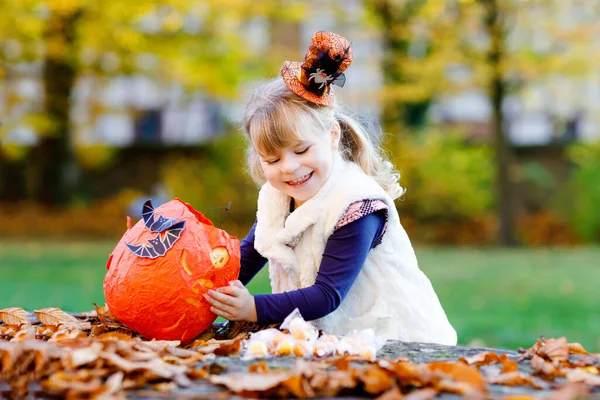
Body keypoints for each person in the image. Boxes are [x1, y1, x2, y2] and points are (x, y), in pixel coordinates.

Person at [205, 31, 457, 345]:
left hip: (394, 340)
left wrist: (253, 307)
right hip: (328, 340)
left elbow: (327, 294)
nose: (289, 167)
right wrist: (200, 288)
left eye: (301, 151)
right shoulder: (278, 198)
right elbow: (244, 261)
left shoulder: (356, 204)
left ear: (332, 136)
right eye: (272, 158)